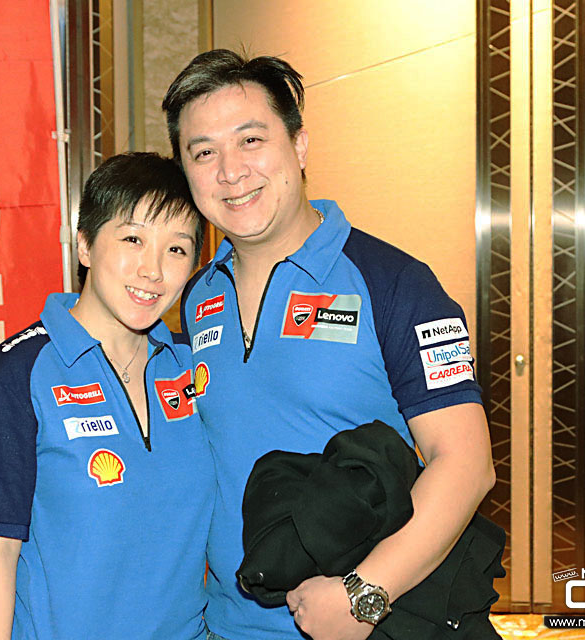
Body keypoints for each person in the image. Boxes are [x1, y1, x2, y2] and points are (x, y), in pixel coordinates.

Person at [163, 50, 496, 640]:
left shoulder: (393, 282)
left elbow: (466, 464)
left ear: (299, 146)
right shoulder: (194, 296)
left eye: (250, 140)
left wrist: (365, 593)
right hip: (226, 625)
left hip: (367, 622)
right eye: (204, 152)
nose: (230, 172)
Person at [0, 152, 214, 639]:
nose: (153, 270)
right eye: (133, 239)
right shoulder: (18, 372)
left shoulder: (194, 366)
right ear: (85, 244)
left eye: (177, 249)